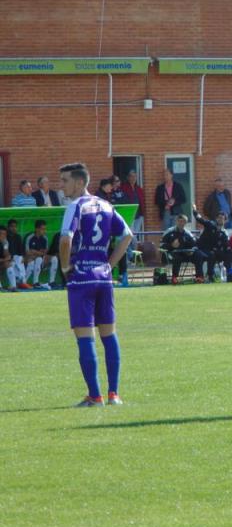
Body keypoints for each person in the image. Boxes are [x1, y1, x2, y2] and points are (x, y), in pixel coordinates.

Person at [58, 162, 132, 407]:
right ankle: (114, 394)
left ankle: (95, 396)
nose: (62, 186)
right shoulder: (106, 205)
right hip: (104, 277)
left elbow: (66, 240)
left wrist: (65, 268)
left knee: (85, 337)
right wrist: (110, 264)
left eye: (65, 181)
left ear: (80, 182)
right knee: (109, 335)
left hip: (82, 276)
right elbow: (127, 235)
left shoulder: (75, 206)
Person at [160, 214, 206, 285]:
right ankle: (174, 277)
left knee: (198, 254)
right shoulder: (169, 231)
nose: (181, 223)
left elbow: (195, 245)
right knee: (177, 257)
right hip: (172, 254)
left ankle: (199, 277)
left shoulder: (188, 233)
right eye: (179, 221)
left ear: (186, 223)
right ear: (176, 221)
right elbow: (161, 245)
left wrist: (191, 250)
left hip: (186, 254)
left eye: (183, 221)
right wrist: (171, 246)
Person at [193, 206, 232, 282]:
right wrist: (194, 210)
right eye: (219, 217)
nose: (220, 219)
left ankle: (229, 275)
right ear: (216, 219)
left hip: (213, 251)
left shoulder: (224, 233)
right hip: (202, 248)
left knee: (229, 254)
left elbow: (226, 245)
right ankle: (208, 276)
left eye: (222, 218)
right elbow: (199, 219)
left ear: (225, 220)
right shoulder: (210, 224)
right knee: (210, 254)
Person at [24, 219, 58, 289]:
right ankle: (35, 282)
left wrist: (35, 252)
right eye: (43, 229)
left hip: (42, 259)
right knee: (38, 259)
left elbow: (45, 252)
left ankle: (52, 281)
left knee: (54, 258)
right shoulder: (30, 237)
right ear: (37, 229)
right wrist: (39, 253)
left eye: (45, 229)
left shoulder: (45, 238)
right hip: (29, 260)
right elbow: (27, 252)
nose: (44, 231)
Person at [121, 170, 145, 236]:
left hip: (139, 214)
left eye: (135, 176)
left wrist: (142, 213)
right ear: (128, 178)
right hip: (129, 214)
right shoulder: (124, 188)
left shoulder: (139, 189)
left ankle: (134, 242)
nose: (133, 178)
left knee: (136, 234)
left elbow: (142, 201)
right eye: (131, 176)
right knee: (130, 234)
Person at [5, 219, 27, 288]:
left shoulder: (18, 237)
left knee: (20, 259)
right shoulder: (5, 237)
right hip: (8, 258)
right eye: (12, 226)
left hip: (16, 258)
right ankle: (13, 284)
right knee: (13, 262)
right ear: (8, 227)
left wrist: (23, 257)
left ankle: (23, 282)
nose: (14, 228)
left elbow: (21, 250)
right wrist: (10, 257)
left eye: (15, 226)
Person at [0, 225, 17, 291]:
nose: (3, 236)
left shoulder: (5, 242)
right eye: (1, 234)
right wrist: (5, 259)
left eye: (5, 234)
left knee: (9, 264)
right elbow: (6, 258)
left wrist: (4, 245)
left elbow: (7, 255)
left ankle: (13, 286)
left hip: (1, 262)